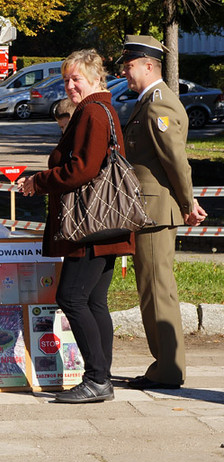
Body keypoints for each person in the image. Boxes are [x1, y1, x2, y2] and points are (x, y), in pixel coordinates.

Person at [16, 49, 135, 403]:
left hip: (90, 228)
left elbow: (82, 169)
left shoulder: (92, 114)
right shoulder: (102, 110)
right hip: (105, 226)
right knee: (95, 301)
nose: (69, 85)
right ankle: (102, 378)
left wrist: (39, 181)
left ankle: (97, 379)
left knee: (71, 297)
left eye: (76, 79)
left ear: (96, 79)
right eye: (66, 78)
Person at [118, 35, 207, 390]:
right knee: (151, 290)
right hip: (148, 210)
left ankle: (168, 370)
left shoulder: (159, 105)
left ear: (149, 65)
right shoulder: (148, 102)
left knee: (158, 291)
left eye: (129, 65)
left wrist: (188, 204)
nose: (125, 70)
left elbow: (175, 161)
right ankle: (164, 366)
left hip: (156, 211)